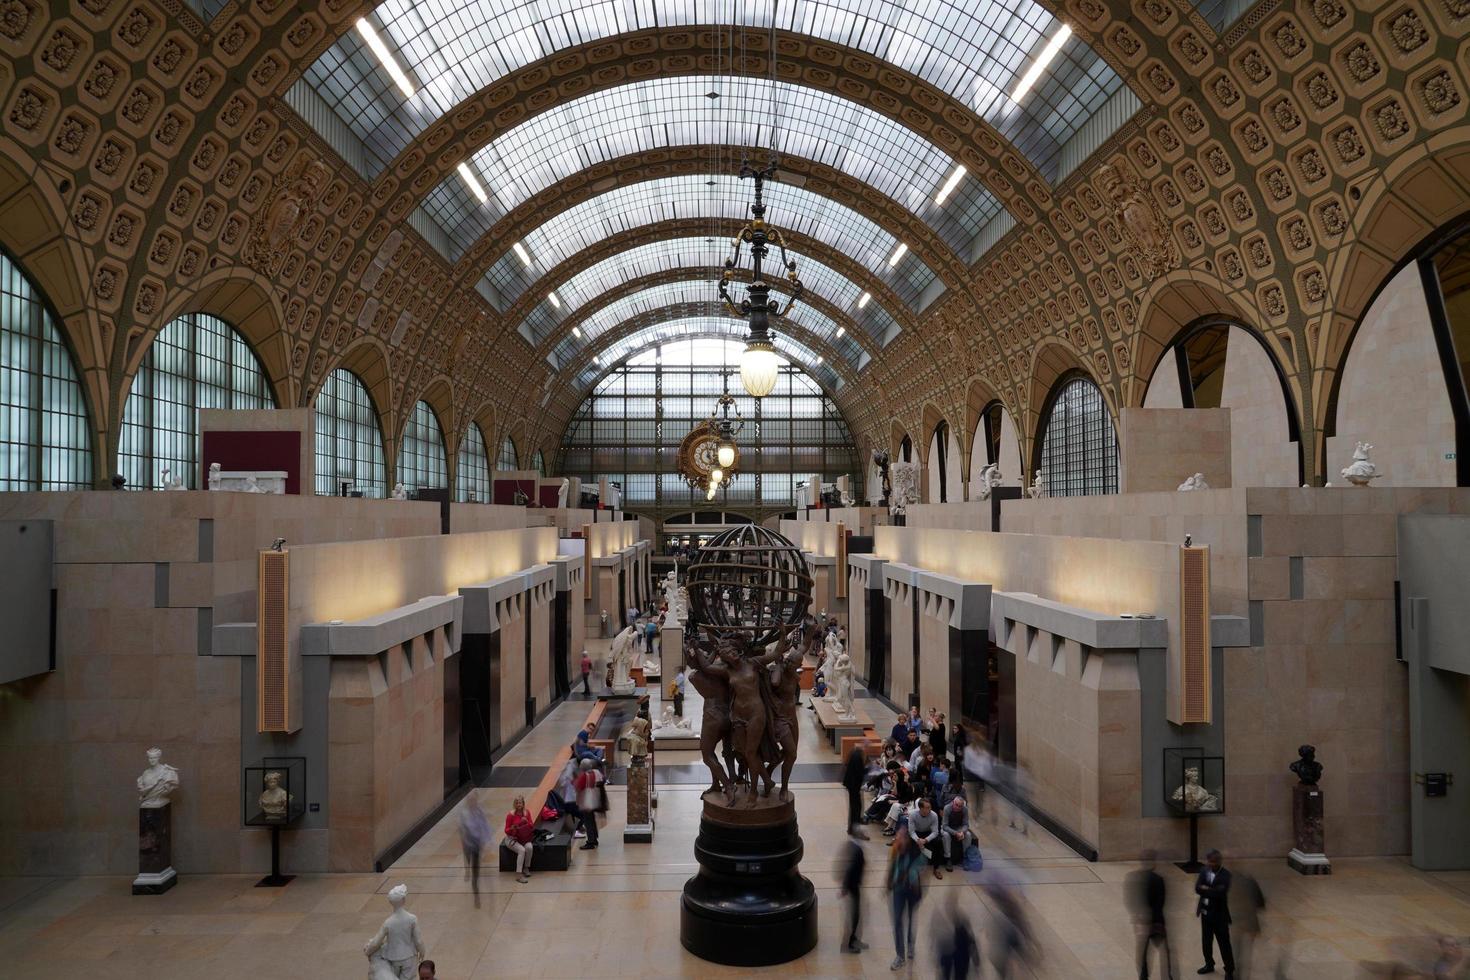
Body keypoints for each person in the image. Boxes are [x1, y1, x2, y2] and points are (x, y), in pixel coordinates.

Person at [1127, 849, 1173, 979]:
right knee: (1164, 951)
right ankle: (1167, 976)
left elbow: (1131, 901)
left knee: (1143, 952)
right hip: (1156, 921)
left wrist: (1138, 916)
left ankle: (1144, 976)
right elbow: (1161, 902)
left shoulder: (1134, 877)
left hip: (1143, 922)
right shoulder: (1159, 879)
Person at [887, 824, 926, 970]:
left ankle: (910, 944)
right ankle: (900, 956)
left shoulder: (915, 850)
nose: (898, 839)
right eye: (897, 836)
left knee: (910, 918)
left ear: (907, 838)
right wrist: (889, 882)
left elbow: (923, 864)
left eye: (901, 836)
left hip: (912, 890)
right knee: (897, 921)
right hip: (898, 889)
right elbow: (892, 865)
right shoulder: (896, 849)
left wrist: (913, 875)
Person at [1195, 849, 1234, 977]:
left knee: (1224, 944)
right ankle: (1209, 964)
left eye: (1213, 862)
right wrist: (1209, 890)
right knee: (1206, 942)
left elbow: (1219, 893)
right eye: (1209, 861)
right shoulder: (1204, 870)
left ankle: (1229, 969)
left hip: (1219, 916)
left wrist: (1205, 889)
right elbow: (1197, 888)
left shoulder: (1226, 875)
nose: (1210, 864)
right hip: (1206, 913)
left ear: (1218, 862)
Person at [458, 791, 491, 908]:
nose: (473, 802)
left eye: (474, 800)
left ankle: (476, 894)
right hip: (468, 843)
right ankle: (466, 868)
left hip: (476, 844)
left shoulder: (479, 811)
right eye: (470, 800)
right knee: (467, 859)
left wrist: (485, 840)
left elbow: (485, 825)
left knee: (475, 871)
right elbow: (462, 828)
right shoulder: (464, 813)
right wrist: (465, 836)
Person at [839, 829, 868, 954]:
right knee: (854, 916)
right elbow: (850, 870)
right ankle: (849, 944)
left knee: (855, 915)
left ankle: (854, 939)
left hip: (853, 885)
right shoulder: (857, 850)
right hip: (853, 886)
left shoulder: (854, 847)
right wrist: (845, 888)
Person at [907, 798, 944, 879]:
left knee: (939, 841)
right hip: (916, 833)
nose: (929, 809)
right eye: (927, 808)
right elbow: (911, 831)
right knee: (908, 841)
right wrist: (918, 840)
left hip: (927, 833)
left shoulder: (934, 815)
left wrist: (925, 840)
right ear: (921, 808)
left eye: (930, 807)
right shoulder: (913, 814)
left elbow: (935, 832)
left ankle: (936, 868)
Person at [503, 795, 535, 883]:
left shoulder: (527, 813)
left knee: (529, 847)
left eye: (520, 803)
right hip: (511, 839)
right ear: (514, 804)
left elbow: (532, 825)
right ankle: (518, 875)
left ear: (523, 804)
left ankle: (526, 868)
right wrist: (512, 828)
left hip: (523, 838)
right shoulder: (510, 815)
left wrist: (527, 822)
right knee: (522, 850)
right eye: (516, 803)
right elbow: (506, 830)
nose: (518, 805)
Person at [573, 757, 602, 849]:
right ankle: (594, 838)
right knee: (592, 820)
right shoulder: (597, 773)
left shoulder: (584, 776)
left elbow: (577, 786)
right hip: (595, 800)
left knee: (588, 821)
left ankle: (591, 842)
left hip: (586, 802)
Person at [940, 795, 973, 873]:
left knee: (968, 835)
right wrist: (956, 833)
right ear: (953, 802)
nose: (958, 807)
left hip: (959, 828)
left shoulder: (965, 809)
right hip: (948, 828)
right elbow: (945, 826)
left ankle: (965, 857)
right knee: (946, 835)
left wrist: (962, 832)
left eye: (960, 806)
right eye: (956, 805)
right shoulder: (947, 808)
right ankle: (948, 858)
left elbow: (966, 824)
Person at [842, 746, 869, 839]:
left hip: (851, 785)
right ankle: (856, 831)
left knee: (853, 807)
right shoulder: (858, 757)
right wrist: (870, 770)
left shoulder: (855, 753)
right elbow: (860, 772)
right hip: (854, 786)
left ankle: (851, 828)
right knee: (857, 808)